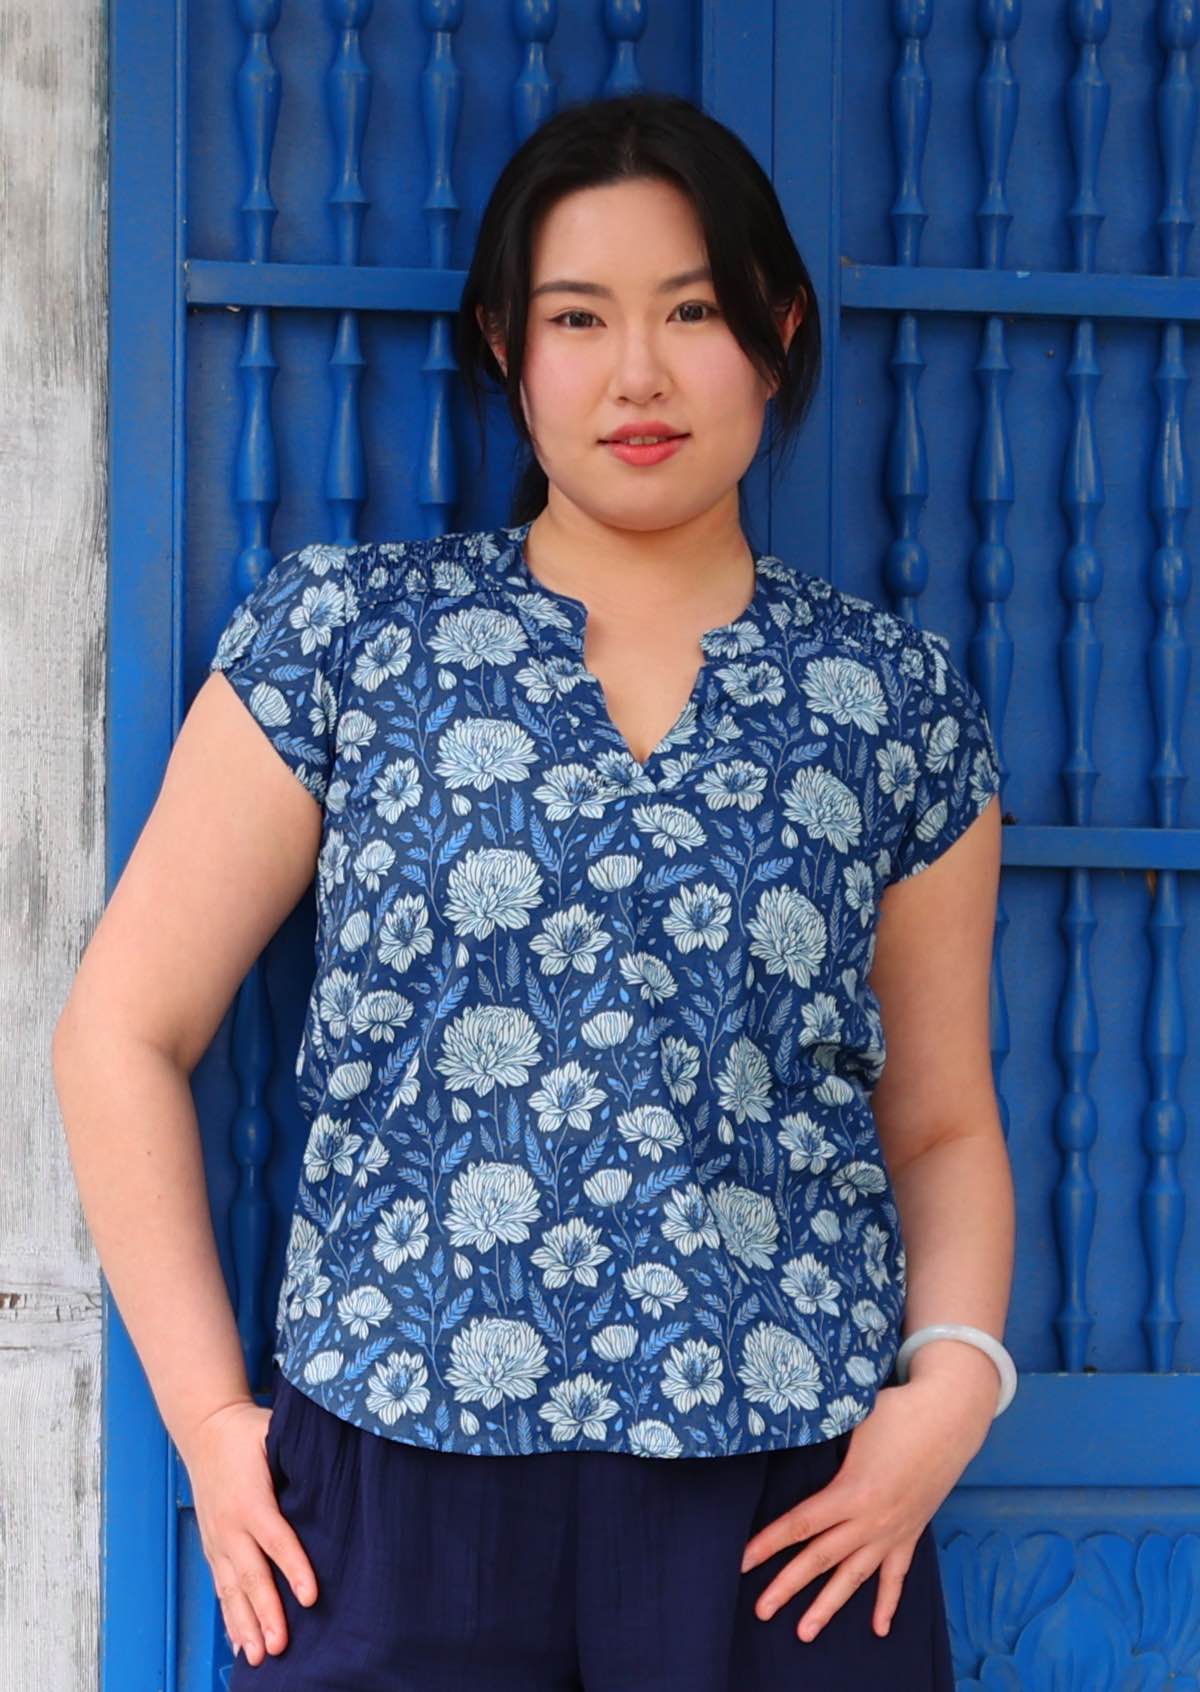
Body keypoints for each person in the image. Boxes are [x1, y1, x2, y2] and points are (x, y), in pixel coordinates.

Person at [53, 90, 1016, 1691]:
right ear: (507, 346)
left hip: (787, 1503)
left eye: (692, 311)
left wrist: (953, 1392)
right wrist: (218, 1429)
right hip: (388, 1485)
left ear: (776, 329)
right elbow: (120, 1031)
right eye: (580, 318)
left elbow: (942, 1118)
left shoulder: (891, 698)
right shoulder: (350, 643)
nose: (637, 373)